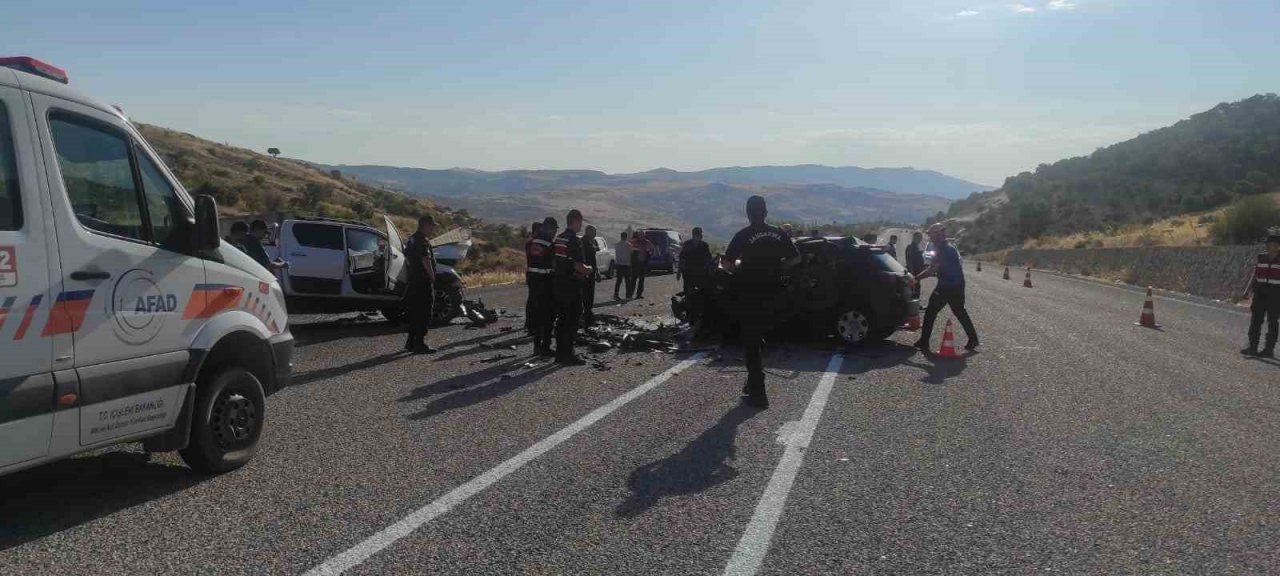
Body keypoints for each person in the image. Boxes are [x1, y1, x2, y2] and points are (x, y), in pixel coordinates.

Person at [725, 196, 800, 409]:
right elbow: (796, 258)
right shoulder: (779, 233)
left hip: (751, 294)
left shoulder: (743, 235)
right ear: (765, 212)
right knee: (758, 337)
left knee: (751, 341)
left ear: (749, 213)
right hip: (776, 296)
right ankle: (751, 382)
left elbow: (728, 264)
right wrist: (778, 269)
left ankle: (759, 393)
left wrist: (740, 269)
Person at [912, 223, 979, 352]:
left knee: (930, 312)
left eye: (931, 235)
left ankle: (924, 342)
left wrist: (915, 279)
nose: (930, 238)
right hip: (958, 285)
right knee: (960, 312)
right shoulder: (949, 248)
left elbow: (932, 270)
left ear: (938, 235)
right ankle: (973, 339)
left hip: (946, 287)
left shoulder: (942, 249)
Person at [553, 210, 592, 365]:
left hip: (559, 284)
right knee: (572, 320)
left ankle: (560, 353)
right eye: (580, 222)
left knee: (561, 320)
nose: (581, 225)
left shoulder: (559, 239)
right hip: (571, 285)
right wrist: (589, 269)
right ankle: (568, 354)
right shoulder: (574, 241)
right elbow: (578, 265)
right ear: (575, 221)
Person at [1241, 232, 1280, 358]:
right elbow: (1254, 276)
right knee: (1255, 321)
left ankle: (1268, 350)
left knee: (1273, 322)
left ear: (1278, 246)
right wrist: (1246, 292)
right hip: (1260, 293)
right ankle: (1252, 347)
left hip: (1275, 294)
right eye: (1268, 244)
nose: (1269, 247)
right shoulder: (1261, 258)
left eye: (1273, 244)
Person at [403, 215, 438, 354]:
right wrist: (432, 276)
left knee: (415, 312)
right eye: (431, 226)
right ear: (425, 225)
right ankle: (419, 344)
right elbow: (425, 259)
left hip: (413, 281)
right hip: (423, 282)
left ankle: (411, 342)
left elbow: (407, 257)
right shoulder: (421, 240)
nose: (433, 229)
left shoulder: (412, 239)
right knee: (424, 313)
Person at [530, 217, 559, 357]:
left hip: (534, 283)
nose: (555, 233)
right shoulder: (549, 244)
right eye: (554, 229)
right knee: (548, 317)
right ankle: (545, 347)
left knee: (538, 317)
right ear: (549, 228)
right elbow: (554, 266)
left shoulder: (533, 242)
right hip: (546, 284)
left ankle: (537, 346)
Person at [679, 227, 713, 294]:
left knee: (702, 290)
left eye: (700, 234)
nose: (700, 236)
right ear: (694, 235)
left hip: (701, 272)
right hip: (688, 272)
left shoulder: (704, 245)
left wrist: (709, 269)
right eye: (698, 234)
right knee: (688, 289)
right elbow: (682, 257)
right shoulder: (687, 244)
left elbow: (708, 259)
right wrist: (679, 271)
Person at [524, 221, 543, 336]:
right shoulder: (533, 244)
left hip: (531, 274)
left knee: (532, 299)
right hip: (535, 275)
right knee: (534, 300)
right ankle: (532, 325)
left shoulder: (530, 243)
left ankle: (530, 323)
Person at [581, 225, 599, 327]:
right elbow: (582, 259)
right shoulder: (583, 242)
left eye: (595, 232)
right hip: (585, 273)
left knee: (590, 295)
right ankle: (585, 318)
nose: (595, 234)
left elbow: (593, 259)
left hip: (591, 273)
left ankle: (588, 315)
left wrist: (597, 272)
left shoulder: (591, 242)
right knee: (585, 295)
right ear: (587, 231)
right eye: (593, 232)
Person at [905, 231, 925, 300]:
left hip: (917, 272)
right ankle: (912, 306)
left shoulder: (917, 247)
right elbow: (909, 261)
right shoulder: (911, 247)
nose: (920, 239)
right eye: (919, 237)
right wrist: (912, 273)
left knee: (916, 288)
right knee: (913, 290)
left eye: (921, 237)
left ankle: (915, 304)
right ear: (914, 238)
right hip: (913, 273)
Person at [631, 231, 651, 299]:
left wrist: (649, 255)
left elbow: (652, 249)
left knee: (641, 280)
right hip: (636, 263)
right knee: (634, 279)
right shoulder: (635, 241)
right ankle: (630, 294)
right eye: (639, 235)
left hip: (643, 263)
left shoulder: (647, 242)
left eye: (642, 235)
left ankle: (639, 294)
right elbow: (630, 249)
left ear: (644, 235)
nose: (641, 236)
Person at [614, 231, 633, 300]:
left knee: (618, 281)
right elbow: (631, 252)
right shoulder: (628, 244)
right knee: (627, 281)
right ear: (626, 237)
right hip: (626, 265)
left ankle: (616, 295)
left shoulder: (617, 244)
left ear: (621, 236)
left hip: (619, 264)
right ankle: (628, 296)